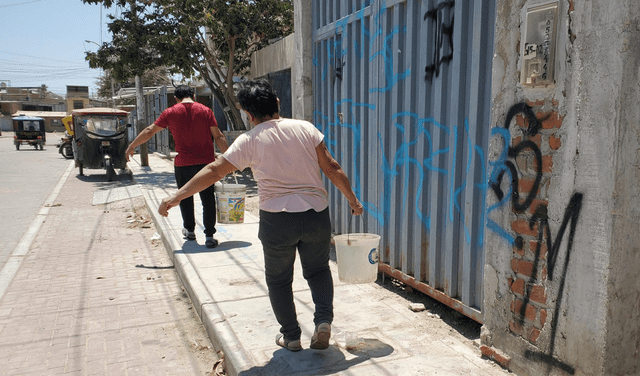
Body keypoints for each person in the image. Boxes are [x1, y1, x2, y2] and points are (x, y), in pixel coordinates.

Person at [157, 78, 364, 352]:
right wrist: (353, 200)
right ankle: (323, 321)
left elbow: (214, 171)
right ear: (277, 103)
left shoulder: (249, 140)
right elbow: (332, 167)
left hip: (277, 220)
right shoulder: (306, 129)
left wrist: (177, 196)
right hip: (316, 215)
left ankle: (291, 336)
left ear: (248, 114)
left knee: (279, 280)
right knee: (318, 270)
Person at [125, 85, 228, 248]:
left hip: (183, 164)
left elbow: (150, 130)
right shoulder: (206, 110)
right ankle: (209, 236)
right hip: (206, 164)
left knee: (184, 196)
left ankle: (190, 231)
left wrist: (132, 145)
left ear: (176, 98)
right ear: (193, 95)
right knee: (207, 199)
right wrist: (230, 157)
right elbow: (218, 136)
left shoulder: (170, 112)